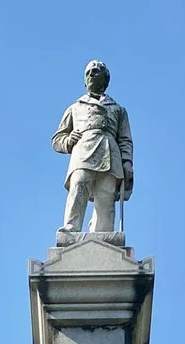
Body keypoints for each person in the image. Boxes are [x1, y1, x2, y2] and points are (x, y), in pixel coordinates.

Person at [52, 61, 133, 235]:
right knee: (79, 185)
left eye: (96, 71)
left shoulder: (118, 110)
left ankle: (103, 233)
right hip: (83, 151)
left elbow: (125, 139)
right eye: (88, 72)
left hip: (110, 153)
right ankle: (71, 228)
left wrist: (127, 162)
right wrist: (68, 140)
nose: (91, 75)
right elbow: (57, 139)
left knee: (106, 194)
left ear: (106, 78)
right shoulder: (75, 108)